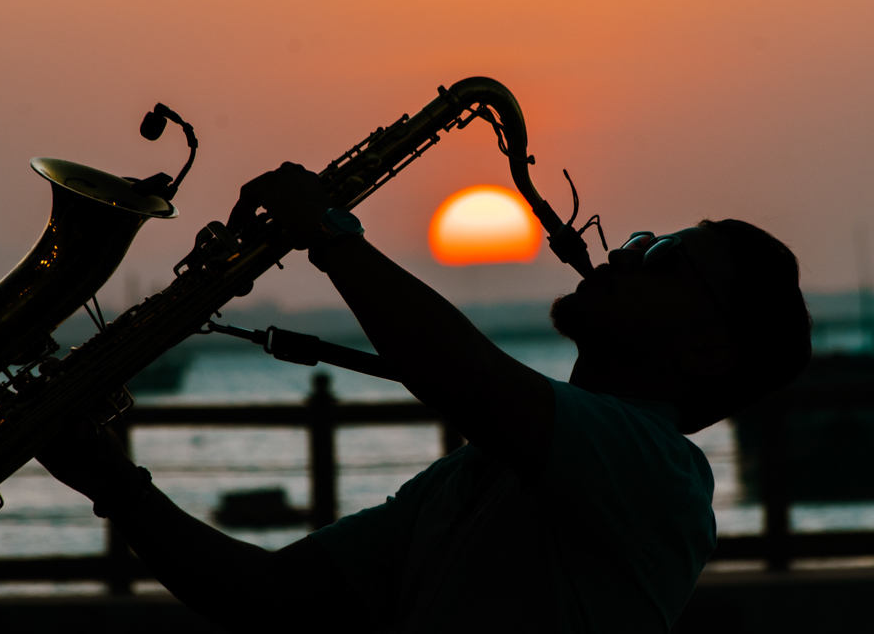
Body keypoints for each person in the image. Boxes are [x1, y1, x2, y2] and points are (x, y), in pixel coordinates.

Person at [39, 163, 811, 633]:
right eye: (643, 238)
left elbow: (463, 373)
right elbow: (277, 600)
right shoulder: (480, 472)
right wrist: (118, 486)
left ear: (710, 350)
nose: (624, 252)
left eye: (663, 258)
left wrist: (332, 235)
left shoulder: (663, 473)